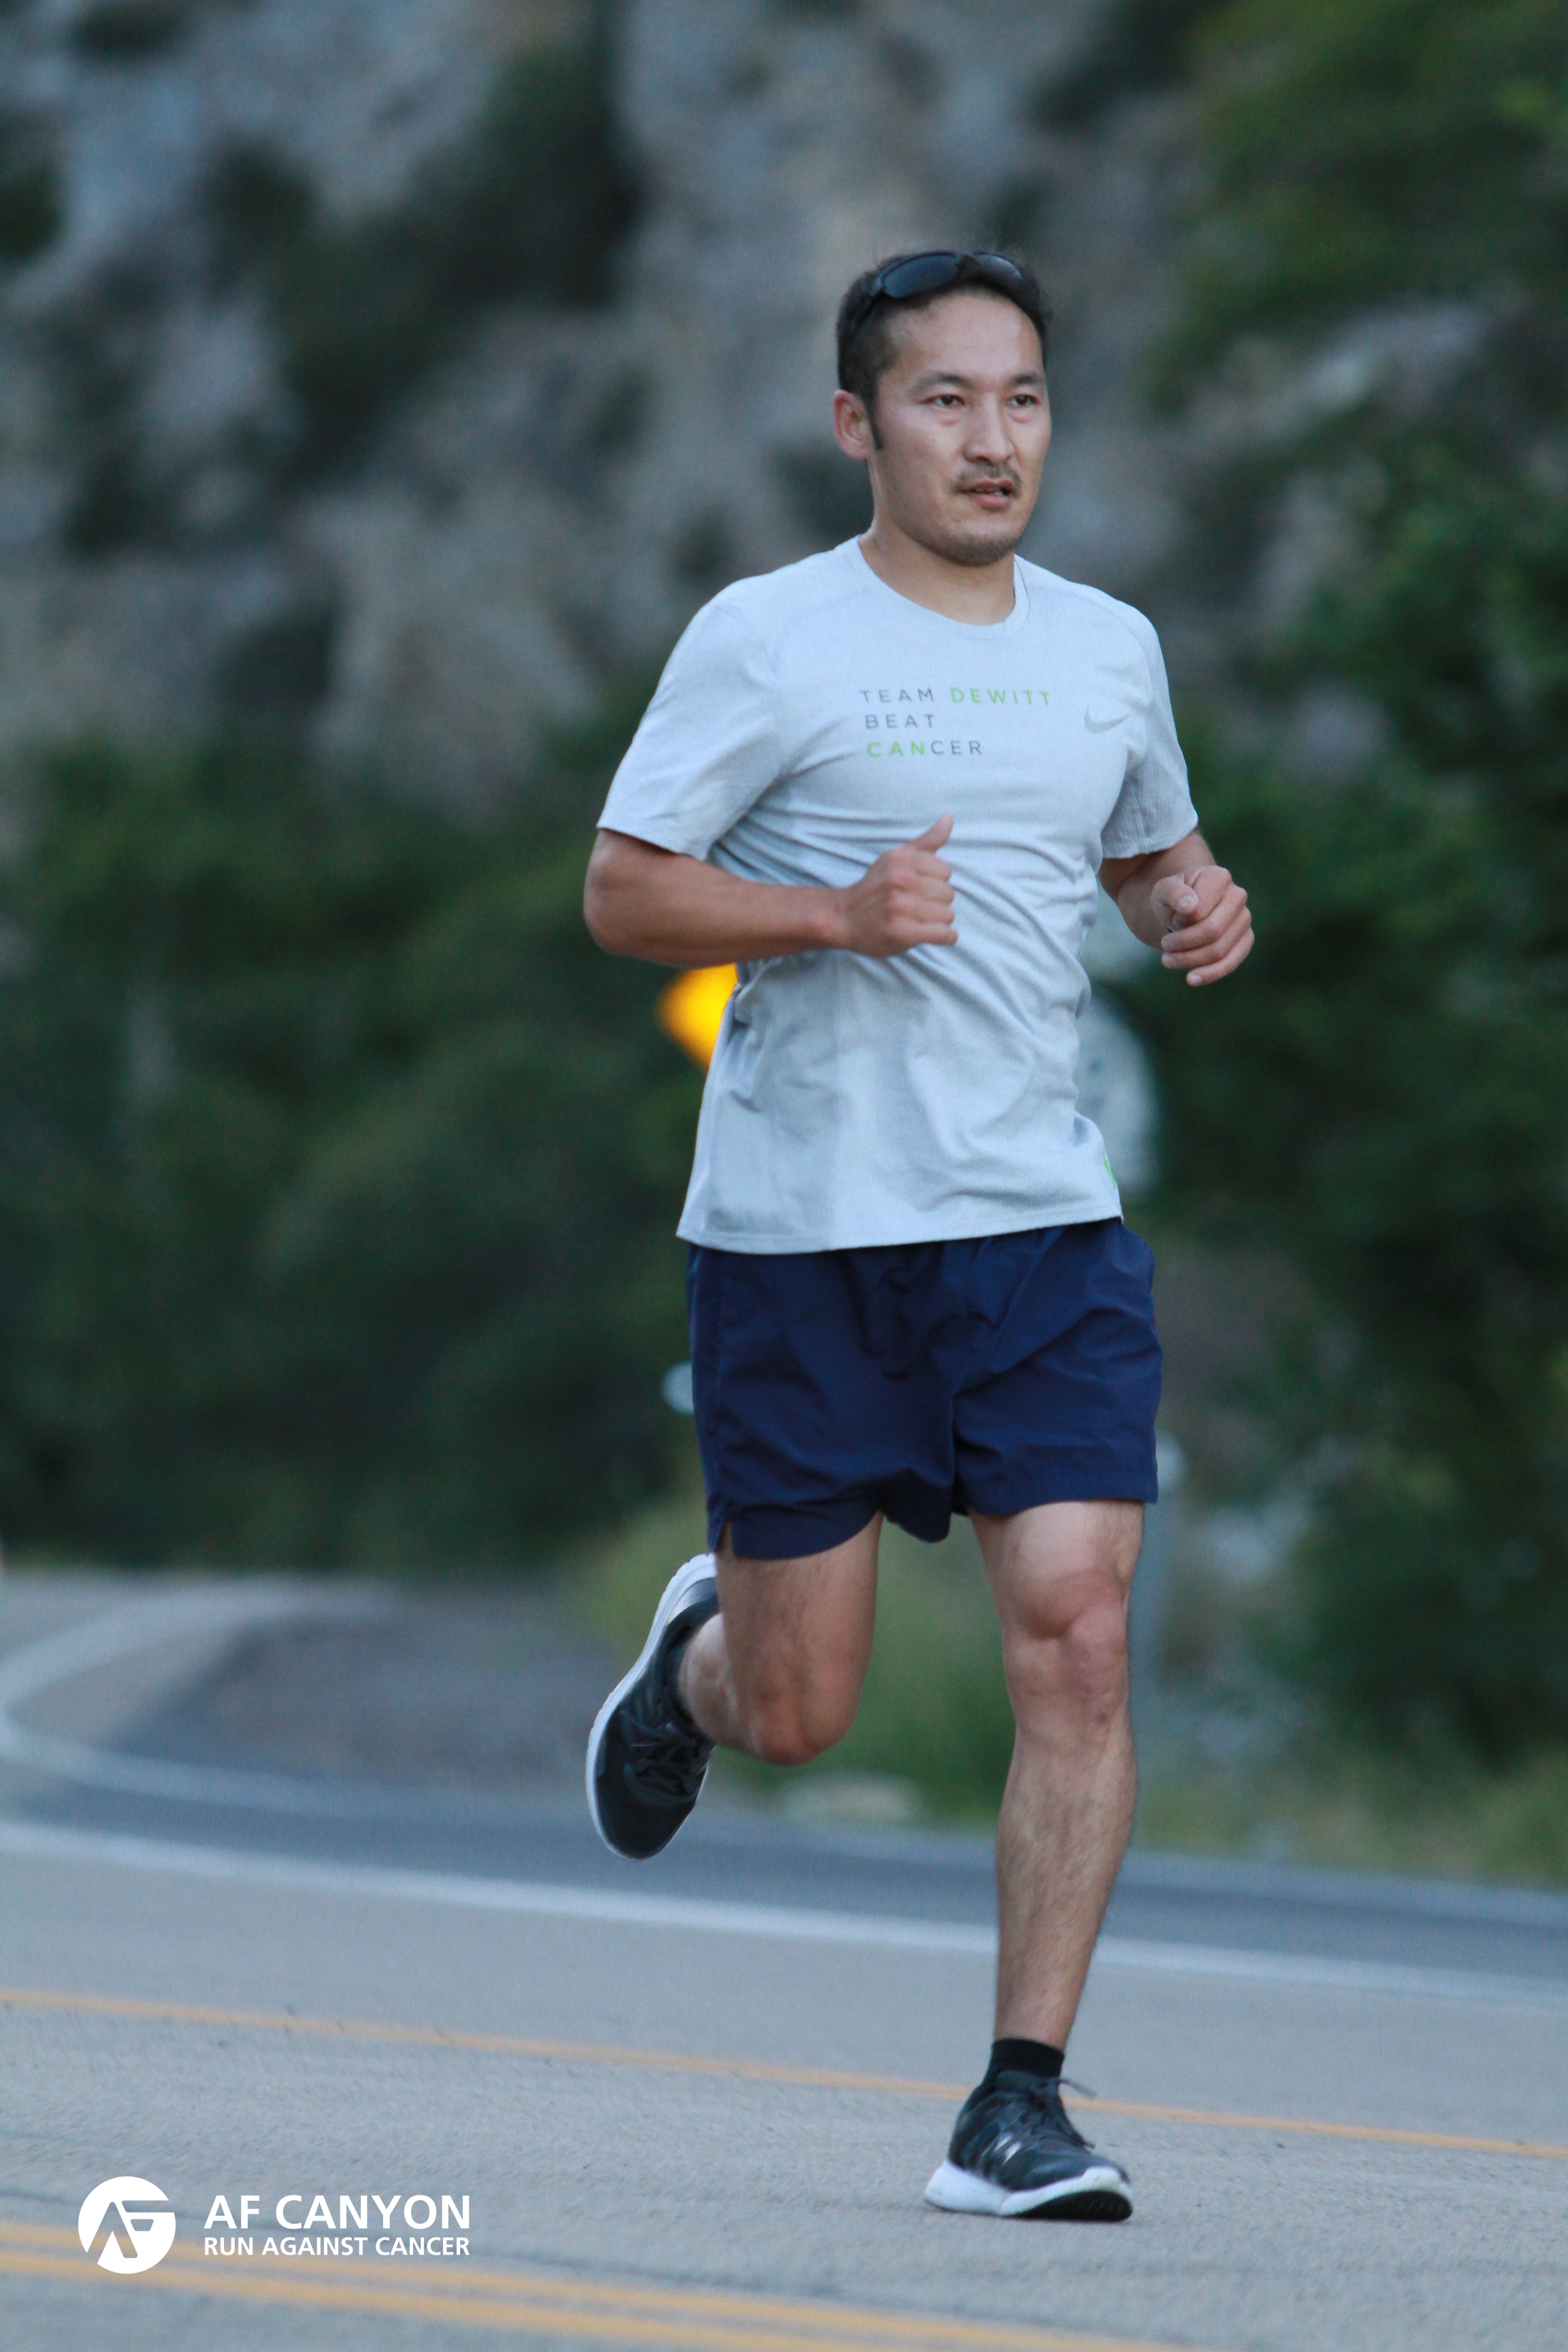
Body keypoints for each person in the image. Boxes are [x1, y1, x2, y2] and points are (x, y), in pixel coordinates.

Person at [581, 249, 1253, 2221]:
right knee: (804, 1714)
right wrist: (829, 917)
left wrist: (1195, 906)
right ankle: (695, 1665)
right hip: (805, 1239)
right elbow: (625, 892)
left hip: (1044, 1230)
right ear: (858, 425)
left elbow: (1144, 848)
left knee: (1082, 1640)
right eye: (945, 399)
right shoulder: (767, 640)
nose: (990, 438)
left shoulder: (1109, 647)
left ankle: (1016, 2105)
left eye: (1021, 397)